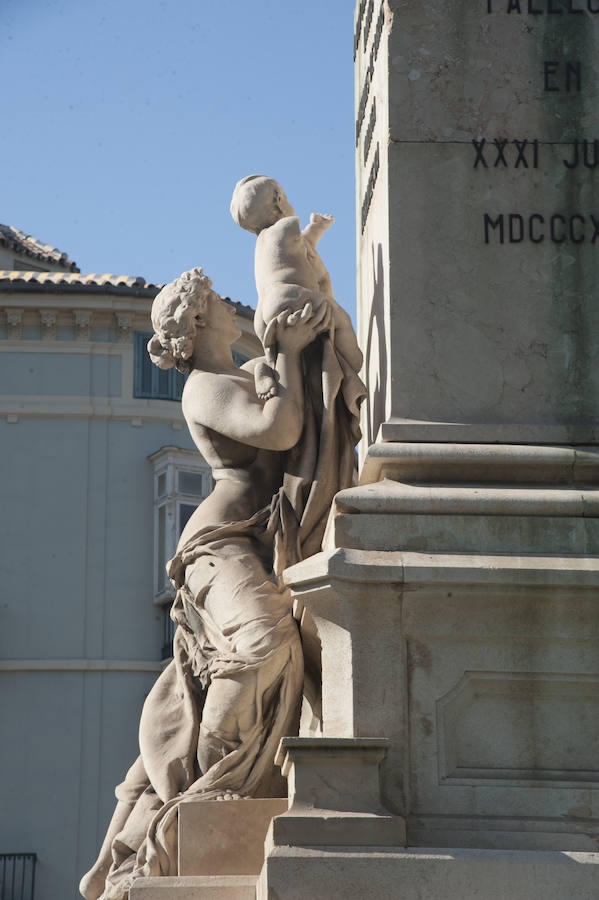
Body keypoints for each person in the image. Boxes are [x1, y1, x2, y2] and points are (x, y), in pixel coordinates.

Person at [80, 268, 332, 900]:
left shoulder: (240, 376)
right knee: (264, 645)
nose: (227, 306)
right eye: (216, 301)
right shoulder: (205, 387)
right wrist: (288, 355)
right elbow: (279, 430)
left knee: (217, 676)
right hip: (217, 545)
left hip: (251, 540)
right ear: (198, 323)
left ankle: (178, 802)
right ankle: (213, 791)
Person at [230, 175, 363, 400]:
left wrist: (316, 228)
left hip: (264, 312)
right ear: (279, 201)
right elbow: (306, 247)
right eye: (286, 197)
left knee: (280, 353)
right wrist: (318, 226)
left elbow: (299, 247)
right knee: (342, 321)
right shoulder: (286, 226)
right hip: (292, 295)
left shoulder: (262, 243)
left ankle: (266, 369)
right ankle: (355, 362)